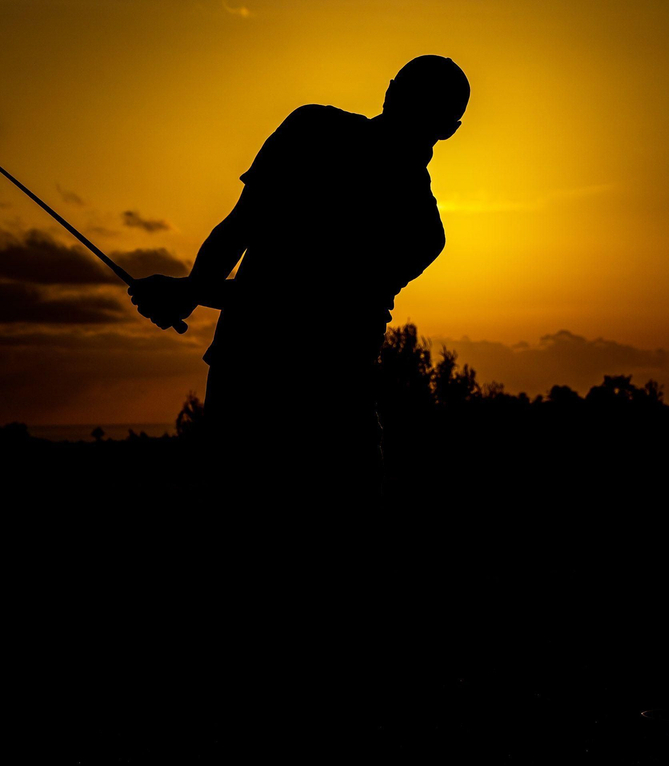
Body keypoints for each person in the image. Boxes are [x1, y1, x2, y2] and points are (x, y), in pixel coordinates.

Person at [130, 55, 469, 513]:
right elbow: (244, 232)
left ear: (391, 91)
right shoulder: (422, 228)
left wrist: (188, 293)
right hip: (299, 390)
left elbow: (299, 301)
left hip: (307, 394)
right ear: (451, 129)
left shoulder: (314, 131)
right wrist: (187, 294)